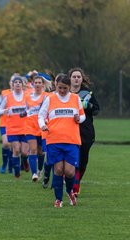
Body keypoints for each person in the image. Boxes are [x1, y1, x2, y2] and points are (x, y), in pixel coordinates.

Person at [38, 74, 85, 208]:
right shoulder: (50, 98)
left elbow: (82, 116)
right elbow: (41, 115)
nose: (62, 91)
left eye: (65, 88)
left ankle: (70, 191)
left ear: (69, 87)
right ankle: (58, 199)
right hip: (54, 139)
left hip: (72, 140)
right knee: (58, 170)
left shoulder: (76, 98)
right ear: (56, 86)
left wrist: (78, 119)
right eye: (59, 88)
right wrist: (42, 125)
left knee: (70, 172)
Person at [69, 67, 100, 197]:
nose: (76, 79)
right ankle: (73, 185)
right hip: (68, 130)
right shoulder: (64, 93)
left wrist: (88, 105)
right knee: (72, 159)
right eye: (74, 76)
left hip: (86, 131)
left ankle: (76, 182)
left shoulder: (87, 93)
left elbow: (97, 110)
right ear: (69, 78)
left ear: (82, 79)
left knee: (82, 161)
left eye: (79, 77)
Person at [0, 76, 28, 178]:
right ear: (12, 85)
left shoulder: (27, 96)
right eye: (16, 82)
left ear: (23, 85)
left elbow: (32, 109)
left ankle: (24, 162)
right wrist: (4, 111)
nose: (18, 84)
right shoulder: (7, 97)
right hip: (12, 128)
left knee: (24, 152)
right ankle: (17, 172)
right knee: (16, 150)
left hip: (25, 128)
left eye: (19, 82)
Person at [23, 74, 50, 182]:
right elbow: (27, 110)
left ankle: (39, 170)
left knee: (41, 152)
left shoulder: (47, 96)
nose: (38, 84)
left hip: (42, 126)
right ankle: (34, 173)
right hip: (30, 126)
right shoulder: (28, 97)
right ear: (33, 84)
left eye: (40, 82)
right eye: (36, 82)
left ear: (43, 84)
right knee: (33, 149)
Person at [0, 76, 13, 174]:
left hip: (17, 124)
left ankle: (11, 165)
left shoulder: (23, 94)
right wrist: (4, 110)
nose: (15, 83)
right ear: (10, 83)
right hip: (4, 122)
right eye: (12, 81)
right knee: (6, 143)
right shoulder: (4, 93)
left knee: (13, 146)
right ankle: (4, 164)